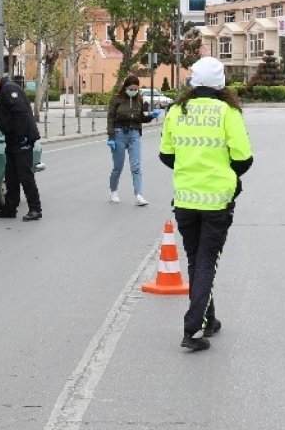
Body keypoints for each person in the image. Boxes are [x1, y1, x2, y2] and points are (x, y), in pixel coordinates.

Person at [158, 56, 253, 352]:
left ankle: (208, 319)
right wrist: (224, 173)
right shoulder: (228, 112)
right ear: (221, 83)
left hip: (185, 199)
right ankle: (193, 329)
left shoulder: (176, 110)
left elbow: (166, 155)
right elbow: (243, 158)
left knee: (196, 259)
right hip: (216, 201)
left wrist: (189, 169)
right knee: (206, 262)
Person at [0, 74, 42, 221]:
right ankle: (10, 208)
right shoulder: (2, 92)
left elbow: (20, 114)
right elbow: (2, 118)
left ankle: (35, 209)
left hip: (22, 139)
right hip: (12, 140)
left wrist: (22, 137)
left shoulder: (9, 90)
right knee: (11, 176)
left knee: (25, 176)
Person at [106, 75, 163, 206]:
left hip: (135, 133)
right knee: (118, 167)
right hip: (119, 133)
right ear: (125, 87)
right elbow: (110, 118)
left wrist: (151, 116)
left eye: (136, 89)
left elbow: (141, 118)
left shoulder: (139, 99)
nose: (133, 91)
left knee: (136, 166)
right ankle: (113, 192)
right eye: (131, 88)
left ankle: (139, 195)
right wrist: (111, 137)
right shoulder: (117, 99)